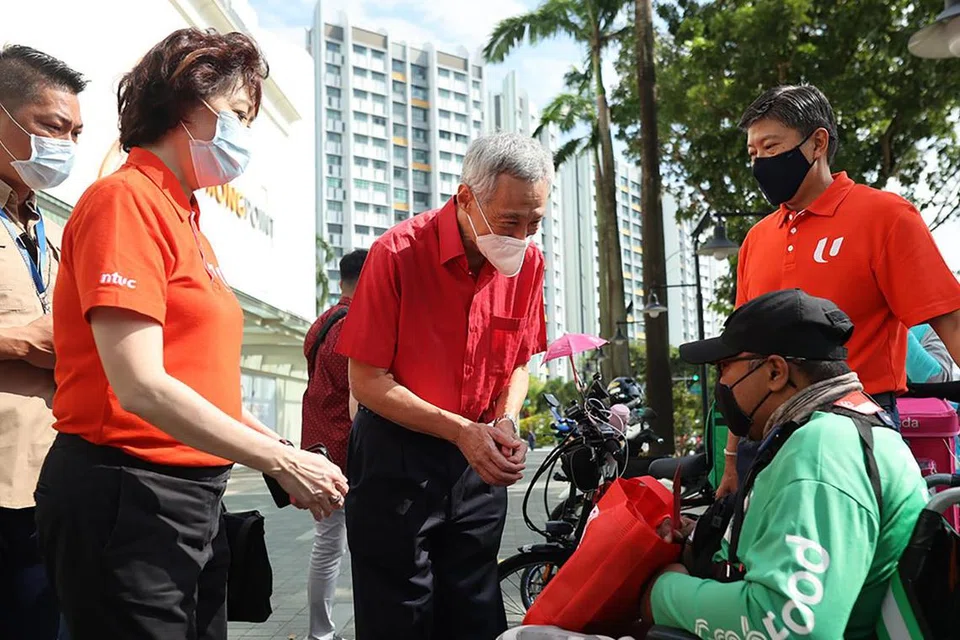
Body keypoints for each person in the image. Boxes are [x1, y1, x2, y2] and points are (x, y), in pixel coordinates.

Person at [33, 29, 348, 640]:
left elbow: (204, 386)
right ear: (187, 107)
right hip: (126, 494)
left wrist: (285, 457)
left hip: (191, 499)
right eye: (235, 114)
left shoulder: (188, 220)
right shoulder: (124, 202)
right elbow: (141, 384)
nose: (242, 136)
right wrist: (280, 458)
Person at [338, 131, 551, 640]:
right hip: (397, 454)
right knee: (400, 611)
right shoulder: (397, 253)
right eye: (509, 222)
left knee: (475, 607)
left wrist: (505, 419)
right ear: (465, 199)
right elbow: (366, 381)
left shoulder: (529, 265)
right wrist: (460, 431)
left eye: (534, 222)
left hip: (478, 456)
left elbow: (519, 362)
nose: (521, 236)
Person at [641, 289, 927, 639]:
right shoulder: (844, 427)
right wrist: (694, 539)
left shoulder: (824, 451)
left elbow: (791, 625)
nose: (721, 385)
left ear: (775, 372)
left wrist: (663, 593)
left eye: (723, 368)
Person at [722, 84, 960, 496]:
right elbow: (743, 355)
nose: (759, 162)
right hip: (765, 435)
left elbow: (951, 322)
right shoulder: (757, 240)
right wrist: (730, 457)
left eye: (771, 147)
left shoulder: (885, 217)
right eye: (752, 153)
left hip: (854, 429)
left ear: (817, 143)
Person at [0, 44, 84, 640]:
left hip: (45, 479)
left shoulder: (38, 224)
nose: (66, 146)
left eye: (76, 132)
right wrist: (17, 341)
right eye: (52, 127)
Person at [302, 248, 367, 640]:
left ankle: (319, 633)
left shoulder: (321, 323)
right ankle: (326, 633)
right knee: (352, 548)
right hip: (347, 450)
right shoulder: (353, 325)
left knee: (325, 547)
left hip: (318, 446)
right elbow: (359, 394)